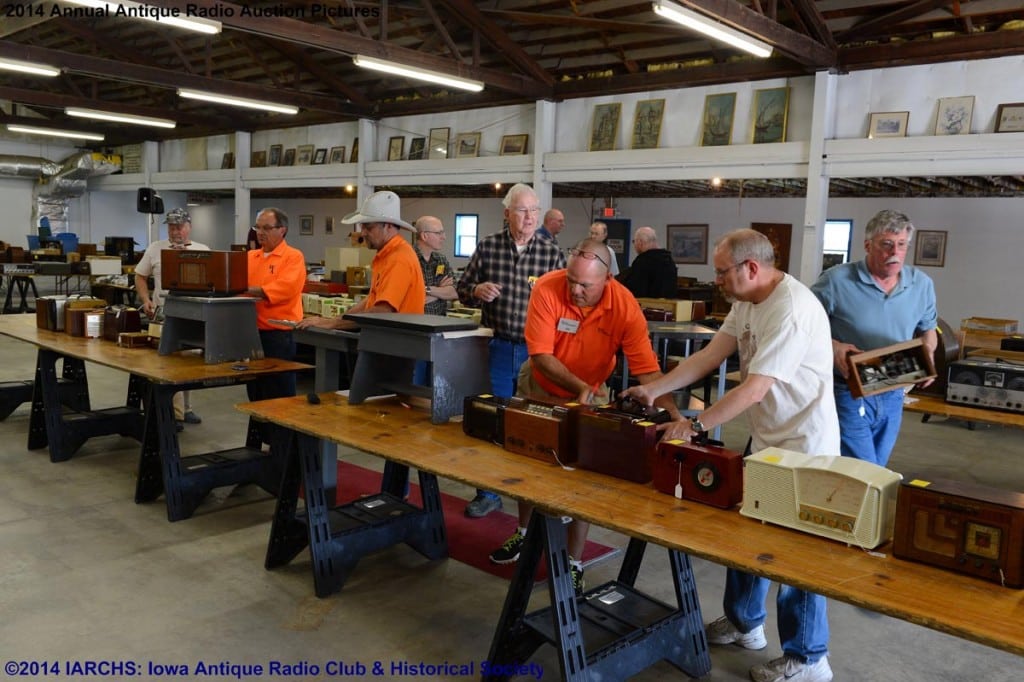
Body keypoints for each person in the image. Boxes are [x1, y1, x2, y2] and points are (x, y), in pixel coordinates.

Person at [622, 229, 840, 682]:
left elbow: (756, 387)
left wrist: (696, 424)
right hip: (767, 440)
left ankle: (809, 657)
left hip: (804, 447)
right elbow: (709, 356)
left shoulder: (792, 310)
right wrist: (655, 388)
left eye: (722, 272)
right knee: (746, 537)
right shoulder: (747, 301)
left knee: (793, 555)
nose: (716, 279)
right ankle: (745, 624)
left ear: (751, 268)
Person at [488, 238, 683, 594]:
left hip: (592, 391)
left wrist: (675, 415)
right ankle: (524, 532)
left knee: (584, 475)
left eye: (585, 286)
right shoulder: (548, 288)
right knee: (529, 462)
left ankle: (573, 562)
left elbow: (647, 371)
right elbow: (542, 354)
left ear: (607, 279)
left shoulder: (624, 305)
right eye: (572, 281)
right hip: (541, 385)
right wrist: (578, 387)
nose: (575, 290)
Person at [456, 183, 565, 518]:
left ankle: (531, 491)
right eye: (522, 210)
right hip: (500, 347)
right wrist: (476, 289)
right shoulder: (488, 248)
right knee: (494, 417)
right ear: (507, 214)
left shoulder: (551, 253)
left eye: (534, 210)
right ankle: (488, 492)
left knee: (534, 421)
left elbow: (565, 303)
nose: (530, 217)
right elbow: (461, 289)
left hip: (538, 354)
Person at [811, 209, 937, 467]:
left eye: (901, 245)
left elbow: (928, 329)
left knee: (877, 467)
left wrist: (928, 354)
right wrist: (833, 346)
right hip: (848, 388)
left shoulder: (921, 285)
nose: (894, 252)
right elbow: (803, 326)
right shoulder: (836, 281)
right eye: (886, 244)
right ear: (868, 245)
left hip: (894, 387)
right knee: (862, 468)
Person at [297, 191, 424, 331]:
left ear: (388, 226)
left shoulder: (398, 258)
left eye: (368, 227)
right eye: (362, 227)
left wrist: (334, 324)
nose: (362, 233)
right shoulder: (386, 255)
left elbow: (383, 312)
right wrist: (336, 320)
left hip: (396, 345)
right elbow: (371, 300)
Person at [134, 207, 210, 430]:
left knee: (187, 363)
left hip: (191, 315)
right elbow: (140, 276)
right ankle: (173, 414)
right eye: (171, 226)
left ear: (189, 227)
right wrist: (146, 299)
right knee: (165, 362)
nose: (175, 231)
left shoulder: (202, 250)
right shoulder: (156, 248)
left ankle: (185, 408)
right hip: (162, 315)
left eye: (179, 226)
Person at [243, 207, 307, 405]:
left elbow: (285, 289)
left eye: (267, 228)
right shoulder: (250, 257)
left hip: (279, 335)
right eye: (258, 227)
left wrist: (247, 289)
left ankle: (281, 435)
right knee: (255, 391)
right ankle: (260, 433)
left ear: (282, 230)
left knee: (278, 393)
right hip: (252, 334)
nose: (260, 232)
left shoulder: (293, 257)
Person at [414, 216, 457, 316]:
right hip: (415, 323)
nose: (444, 237)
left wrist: (428, 291)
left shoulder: (441, 260)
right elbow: (409, 295)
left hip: (440, 323)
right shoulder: (408, 258)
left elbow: (454, 292)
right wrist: (440, 291)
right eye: (439, 233)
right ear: (424, 236)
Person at [618, 226, 676, 298]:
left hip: (647, 306)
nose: (635, 245)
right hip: (668, 306)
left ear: (640, 242)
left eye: (634, 241)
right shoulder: (669, 260)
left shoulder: (643, 261)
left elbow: (635, 289)